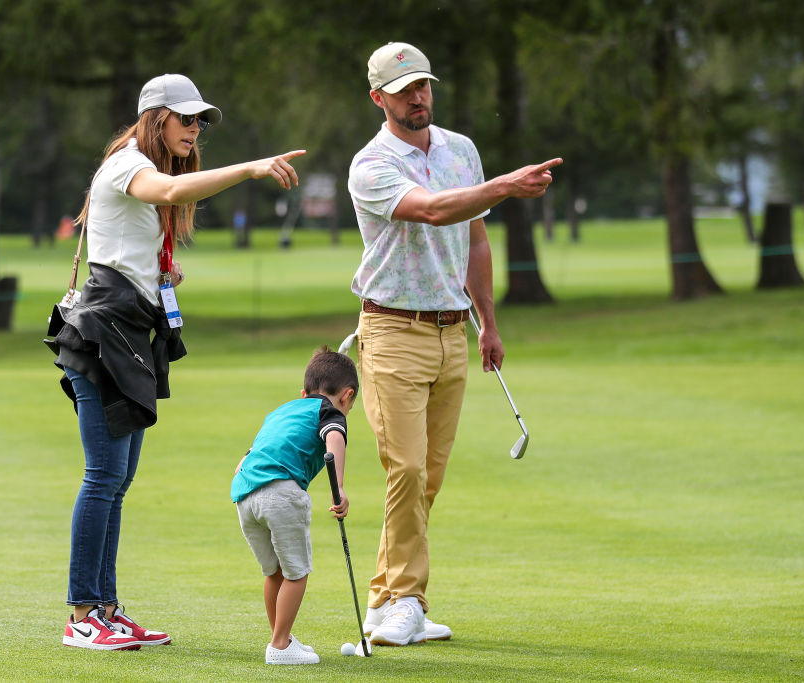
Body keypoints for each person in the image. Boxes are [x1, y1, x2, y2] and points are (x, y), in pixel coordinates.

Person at [46, 73, 306, 651]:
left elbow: (147, 222)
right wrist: (251, 168)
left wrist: (161, 273)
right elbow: (163, 193)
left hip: (132, 333)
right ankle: (83, 615)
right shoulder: (127, 164)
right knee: (103, 478)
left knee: (117, 480)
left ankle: (105, 609)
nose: (193, 129)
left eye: (198, 121)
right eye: (184, 118)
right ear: (154, 117)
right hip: (101, 336)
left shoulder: (147, 166)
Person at [347, 41, 562, 647]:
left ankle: (388, 603)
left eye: (424, 85)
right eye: (404, 88)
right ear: (378, 97)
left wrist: (488, 321)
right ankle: (405, 600)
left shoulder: (460, 149)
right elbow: (437, 211)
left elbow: (474, 239)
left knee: (427, 478)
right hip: (391, 331)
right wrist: (506, 186)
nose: (418, 96)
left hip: (453, 333)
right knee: (406, 469)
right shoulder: (371, 165)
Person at [231, 347, 359, 665]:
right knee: (296, 573)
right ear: (347, 396)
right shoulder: (329, 412)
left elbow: (247, 456)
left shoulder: (281, 411)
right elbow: (334, 439)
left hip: (245, 493)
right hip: (282, 492)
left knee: (274, 572)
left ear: (303, 393)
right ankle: (279, 646)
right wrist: (338, 488)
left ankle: (282, 638)